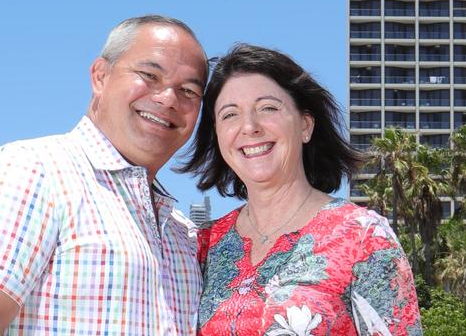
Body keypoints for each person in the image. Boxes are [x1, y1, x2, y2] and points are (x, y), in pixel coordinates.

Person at [0, 15, 209, 335]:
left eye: (188, 90)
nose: (168, 99)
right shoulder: (28, 171)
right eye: (149, 75)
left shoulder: (182, 234)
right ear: (100, 76)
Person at [180, 44, 422, 335]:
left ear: (305, 125)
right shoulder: (203, 245)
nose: (249, 126)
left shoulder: (363, 237)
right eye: (229, 115)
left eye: (268, 108)